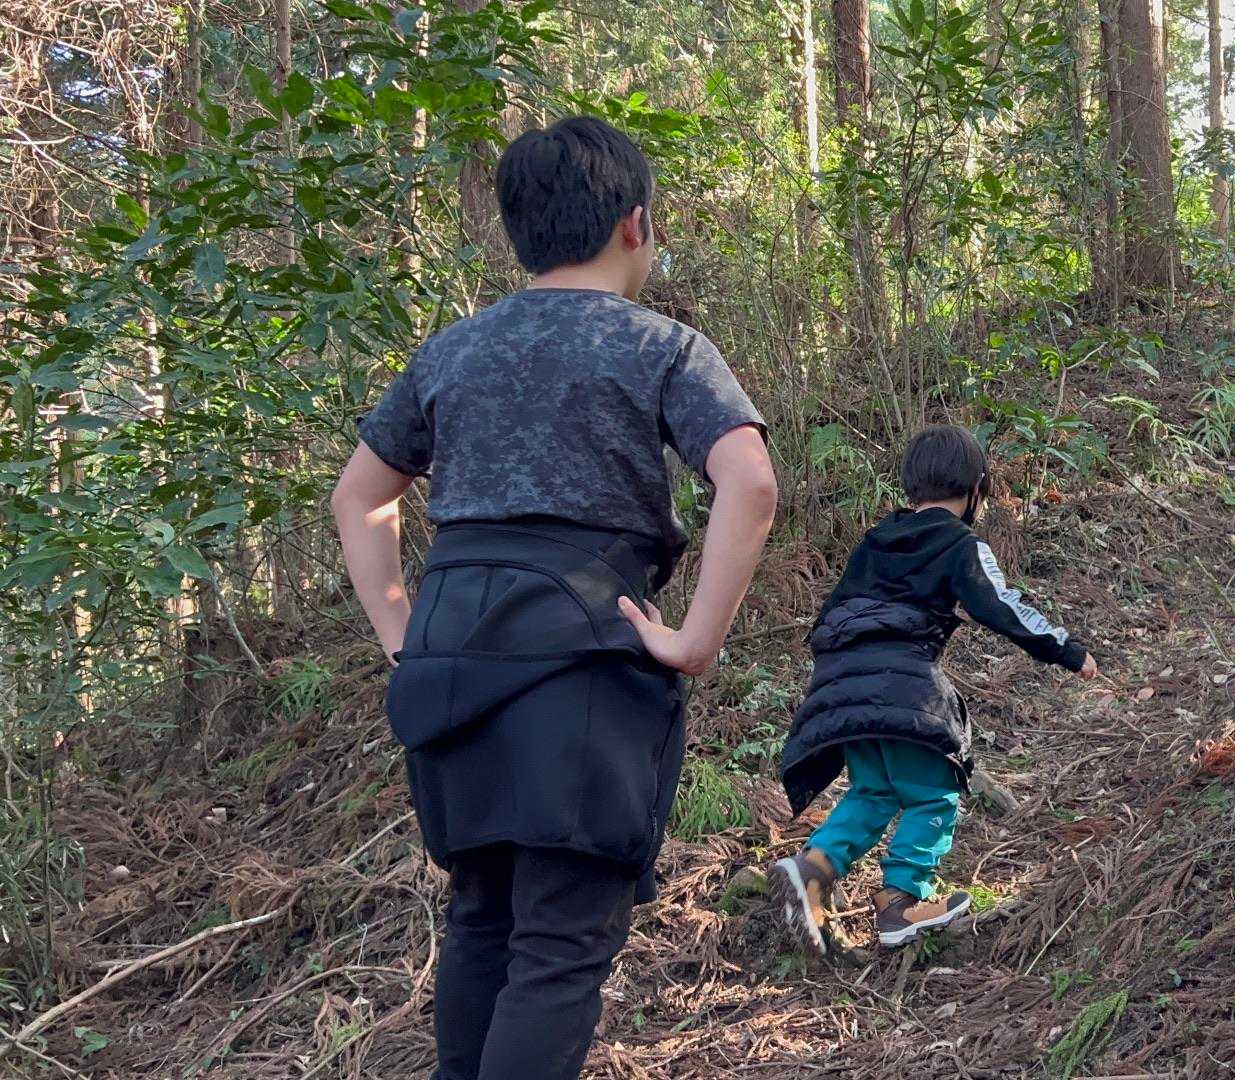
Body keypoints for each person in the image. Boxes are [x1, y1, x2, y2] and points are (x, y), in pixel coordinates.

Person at [330, 116, 777, 1080]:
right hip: (581, 661)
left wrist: (405, 635)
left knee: (481, 920)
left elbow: (358, 496)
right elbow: (749, 480)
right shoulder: (661, 345)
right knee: (560, 943)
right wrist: (695, 640)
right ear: (636, 223)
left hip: (449, 665)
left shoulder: (450, 351)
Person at [770, 425, 1097, 953]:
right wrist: (1068, 651)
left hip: (839, 686)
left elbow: (832, 615)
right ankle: (901, 901)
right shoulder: (960, 544)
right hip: (903, 685)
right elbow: (1000, 606)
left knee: (875, 790)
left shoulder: (875, 540)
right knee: (935, 791)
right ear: (976, 487)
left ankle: (812, 870)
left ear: (910, 485)